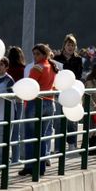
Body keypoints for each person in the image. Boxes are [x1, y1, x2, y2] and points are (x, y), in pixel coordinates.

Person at [19, 44, 58, 176]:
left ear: (44, 55)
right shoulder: (52, 67)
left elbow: (29, 87)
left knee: (31, 137)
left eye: (38, 54)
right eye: (34, 54)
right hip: (50, 103)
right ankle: (41, 167)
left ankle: (30, 166)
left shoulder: (37, 68)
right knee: (41, 137)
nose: (35, 57)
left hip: (36, 103)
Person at [53, 34, 83, 153]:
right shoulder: (57, 58)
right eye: (68, 45)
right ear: (64, 45)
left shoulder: (78, 59)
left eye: (73, 45)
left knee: (72, 120)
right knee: (59, 120)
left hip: (72, 91)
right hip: (60, 91)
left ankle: (72, 143)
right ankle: (58, 146)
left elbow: (79, 75)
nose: (70, 47)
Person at [7, 46, 26, 163]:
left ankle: (2, 156)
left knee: (6, 129)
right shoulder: (23, 69)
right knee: (16, 130)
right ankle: (15, 157)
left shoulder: (7, 69)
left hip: (7, 101)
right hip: (19, 101)